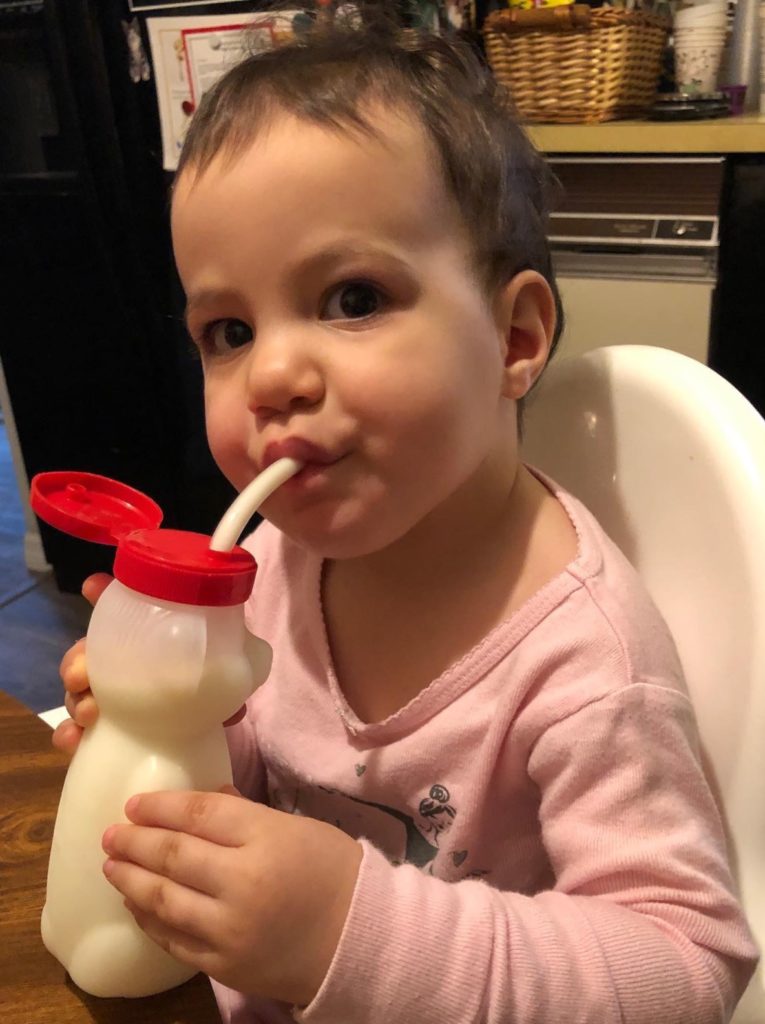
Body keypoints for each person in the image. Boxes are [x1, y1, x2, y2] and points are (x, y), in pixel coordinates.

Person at [54, 12, 758, 1024]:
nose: (272, 377)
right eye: (230, 330)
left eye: (350, 297)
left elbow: (687, 967)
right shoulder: (279, 552)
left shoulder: (587, 666)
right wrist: (172, 729)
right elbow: (268, 756)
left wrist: (351, 927)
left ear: (513, 337)